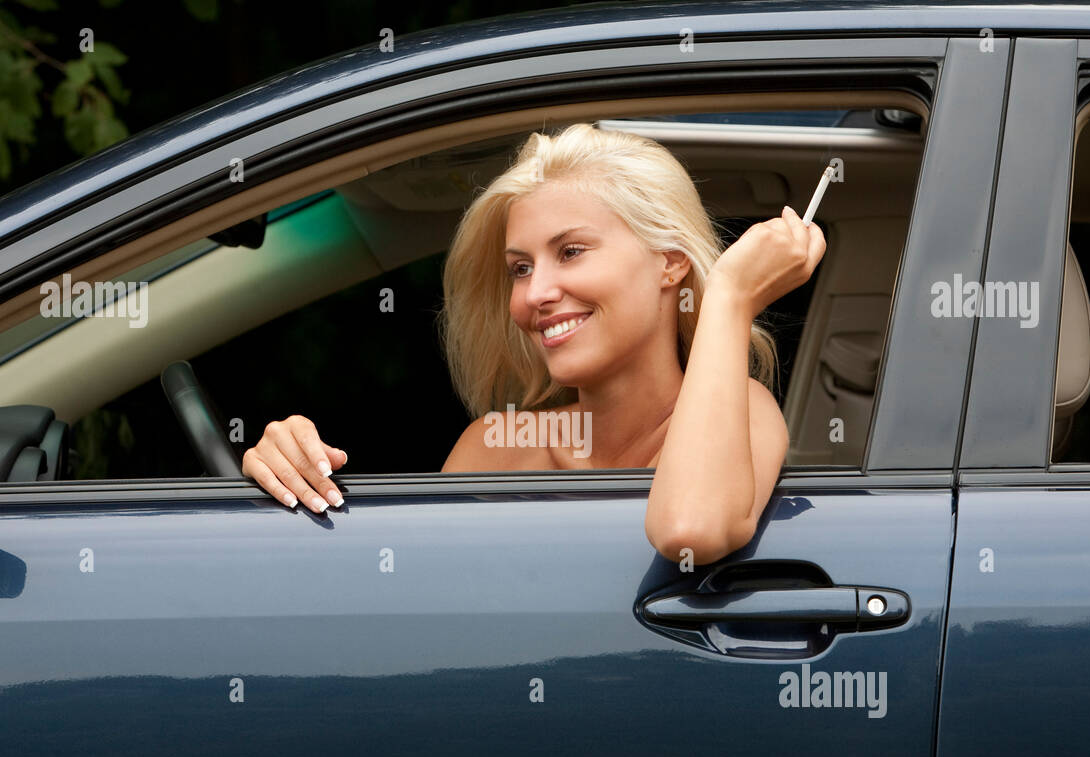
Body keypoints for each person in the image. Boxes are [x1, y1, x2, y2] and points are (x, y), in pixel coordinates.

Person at [242, 122, 826, 565]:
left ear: (670, 264)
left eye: (570, 251)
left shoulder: (745, 410)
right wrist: (290, 476)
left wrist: (727, 296)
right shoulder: (492, 447)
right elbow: (405, 600)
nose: (534, 295)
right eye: (520, 268)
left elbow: (689, 531)